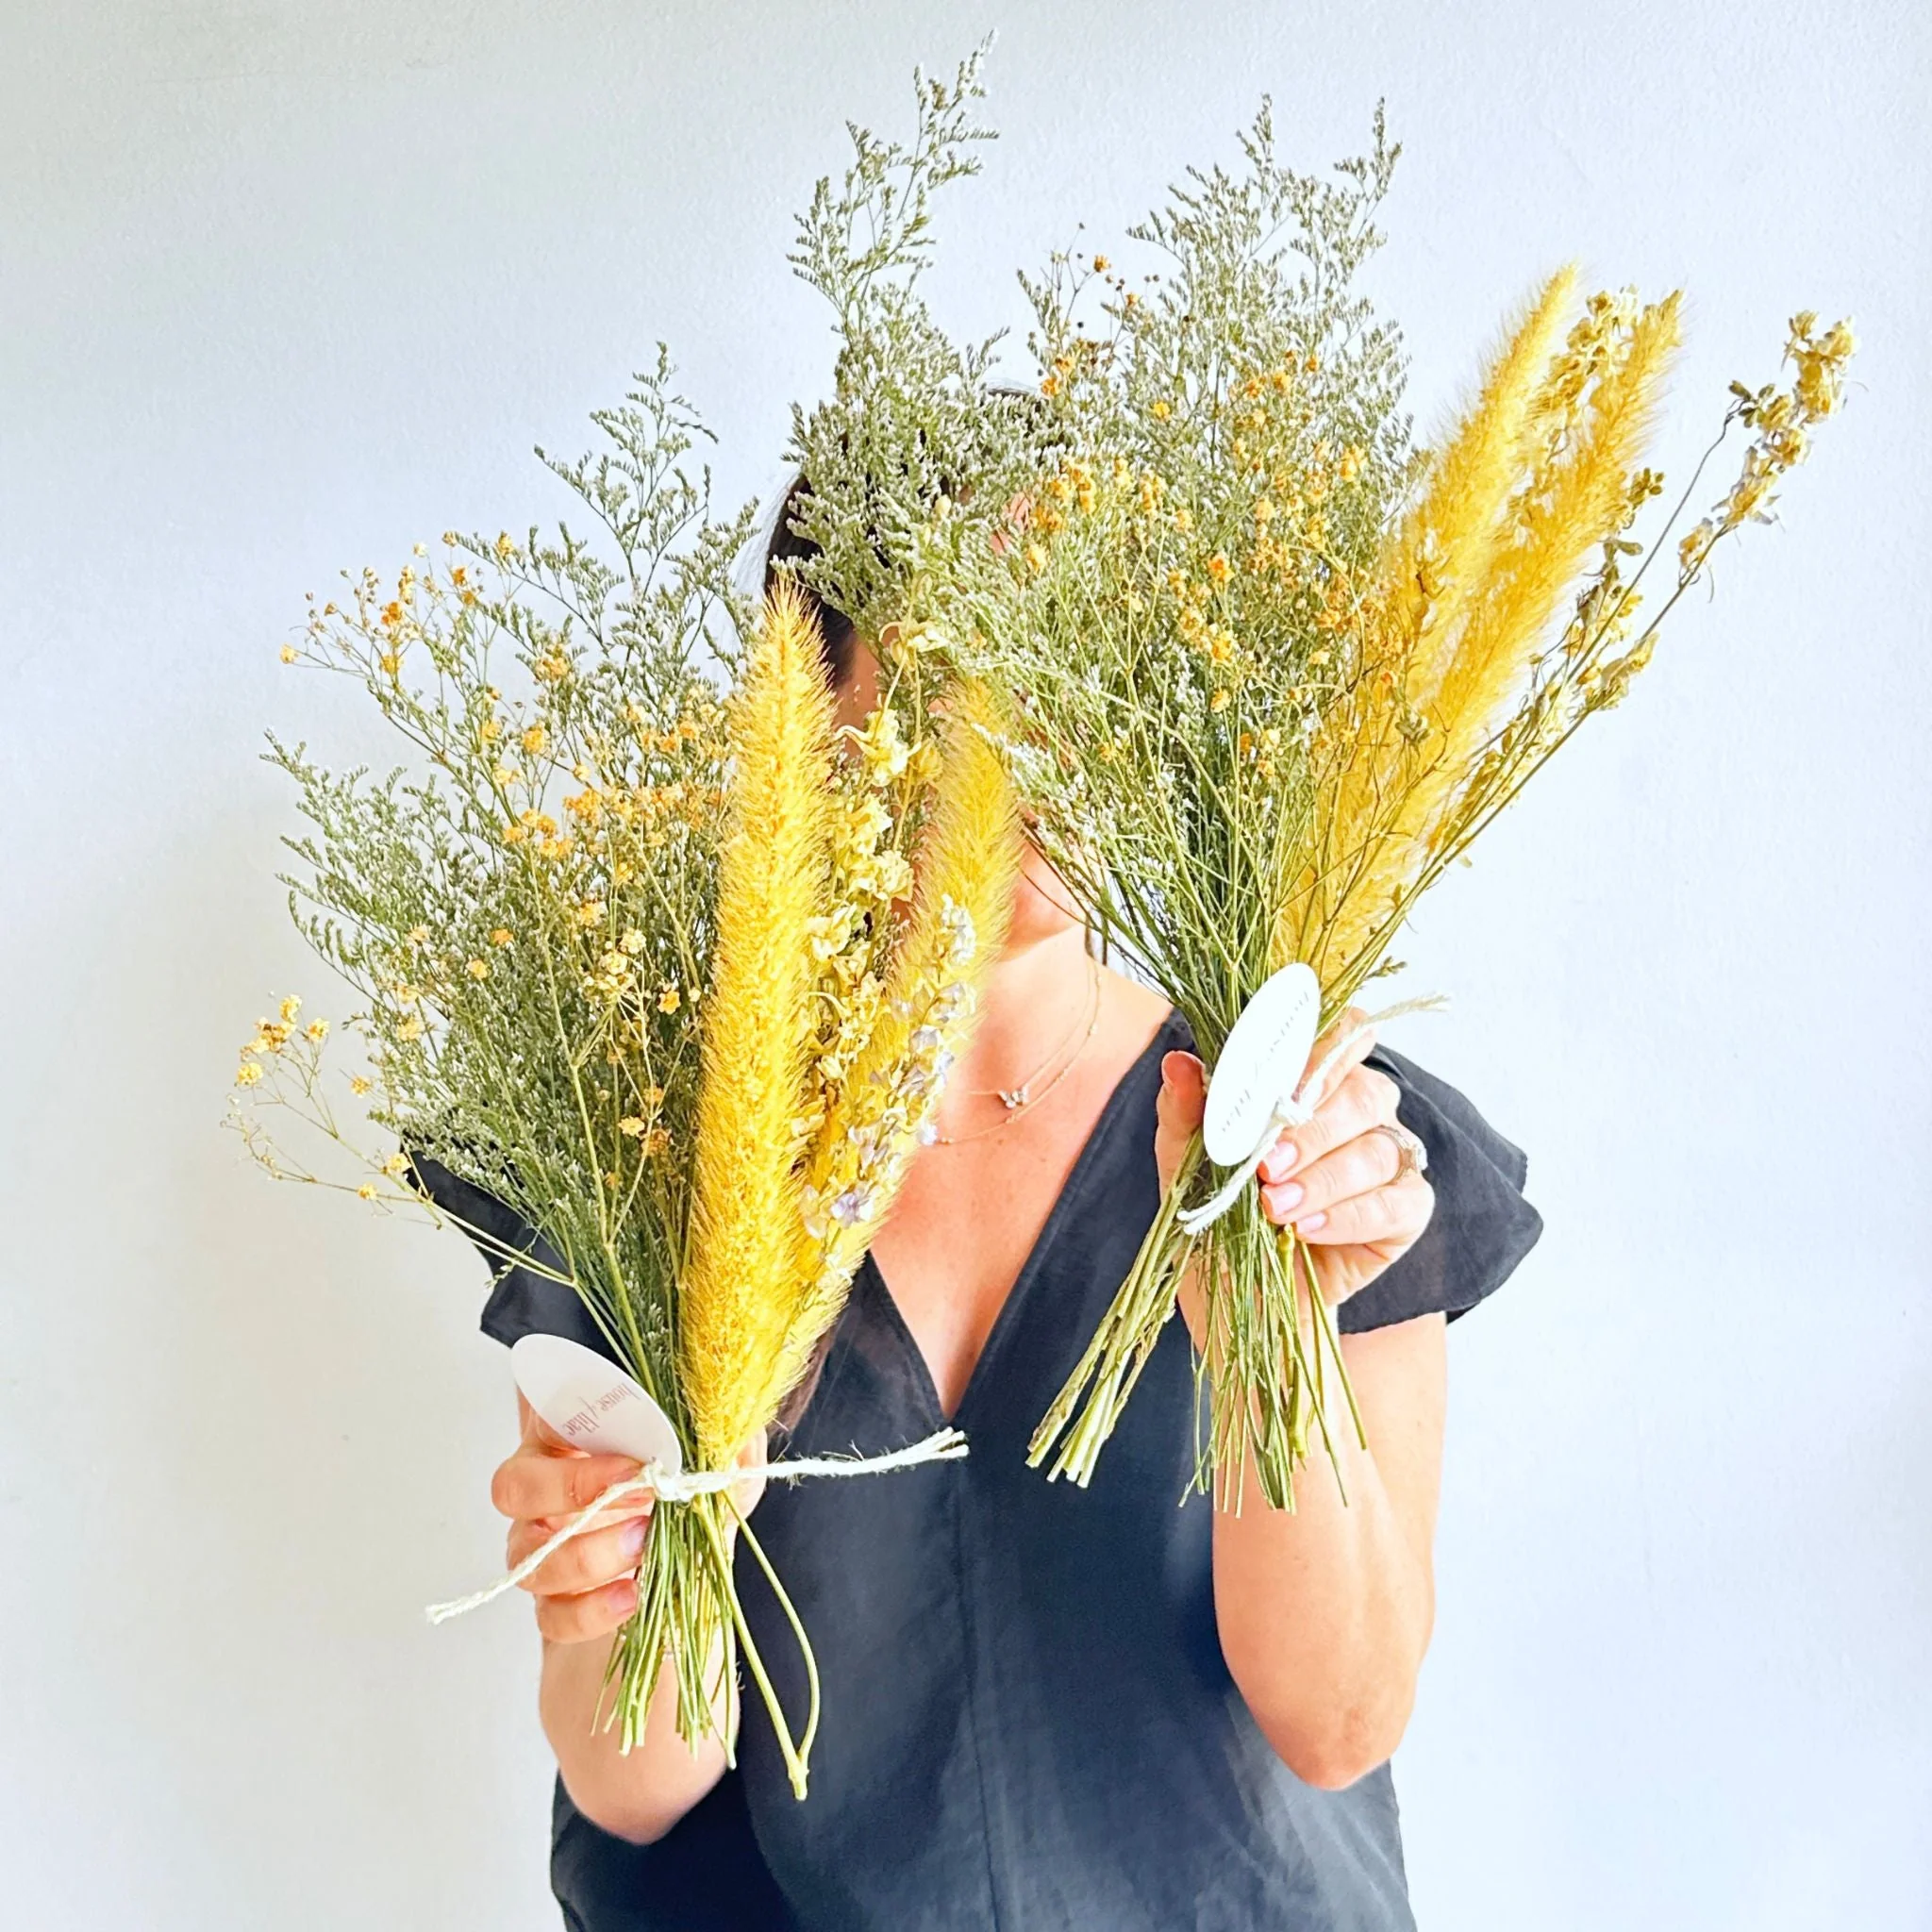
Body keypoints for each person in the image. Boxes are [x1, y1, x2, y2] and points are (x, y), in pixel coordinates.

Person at [459, 480, 1544, 1930]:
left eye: (1064, 672)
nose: (1015, 753)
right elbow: (634, 1783)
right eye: (945, 686)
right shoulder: (659, 1167)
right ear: (815, 722)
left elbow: (1340, 1719)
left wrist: (1261, 1336)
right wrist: (603, 1588)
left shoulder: (1318, 1133)